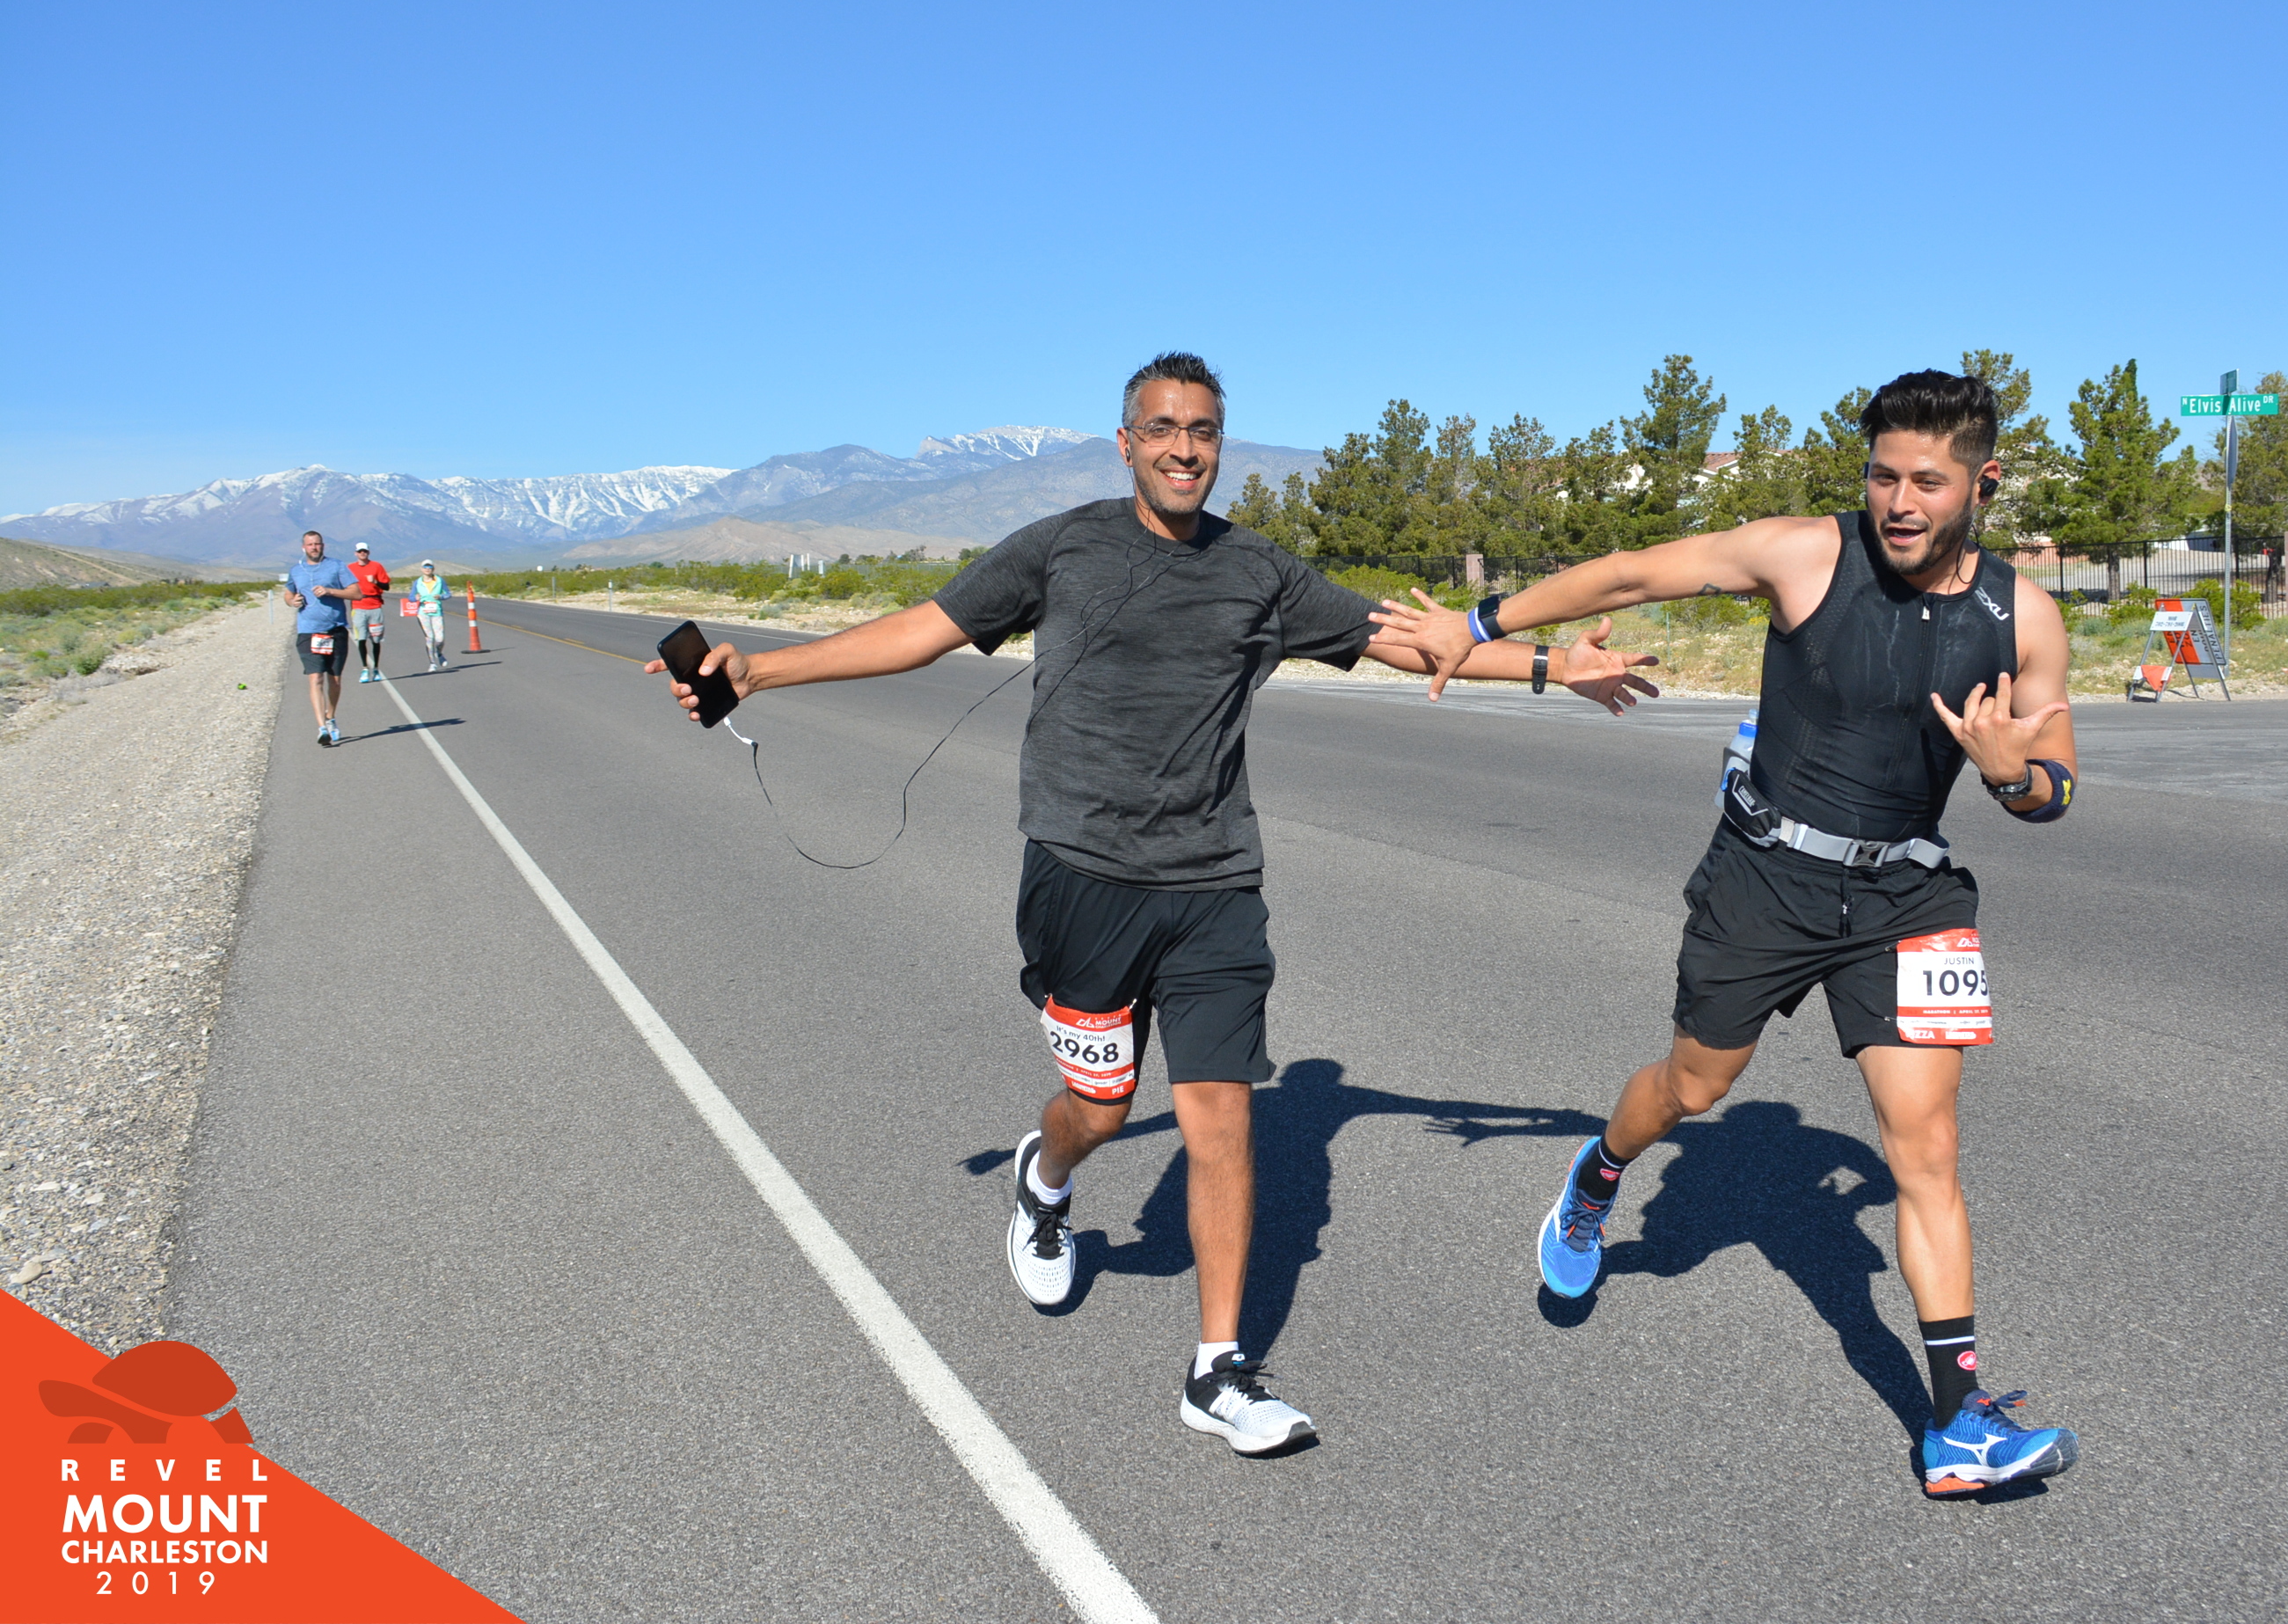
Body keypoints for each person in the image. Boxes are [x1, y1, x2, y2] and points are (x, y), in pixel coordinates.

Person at [650, 352, 1660, 1456]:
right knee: (1100, 1108)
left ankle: (1216, 1370)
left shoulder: (1260, 571)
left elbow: (1409, 640)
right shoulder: (1060, 547)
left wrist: (1553, 666)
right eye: (1165, 428)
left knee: (1220, 1116)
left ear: (1221, 445)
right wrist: (763, 673)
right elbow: (920, 629)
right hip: (1081, 879)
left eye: (1204, 430)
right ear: (1126, 441)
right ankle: (1046, 1180)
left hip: (1214, 882)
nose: (1186, 447)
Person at [1370, 369, 2082, 1497]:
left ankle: (1957, 1422)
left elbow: (2054, 783)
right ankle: (1600, 1174)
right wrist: (1478, 621)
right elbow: (1633, 571)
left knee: (1926, 1148)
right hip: (1765, 876)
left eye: (1927, 482)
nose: (1899, 502)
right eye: (1882, 476)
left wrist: (2013, 778)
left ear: (1982, 483)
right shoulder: (1804, 554)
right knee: (1693, 1088)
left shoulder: (2022, 616)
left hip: (1906, 895)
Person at [281, 530, 360, 747]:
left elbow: (356, 593)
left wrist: (330, 591)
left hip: (335, 630)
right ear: (303, 547)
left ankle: (330, 717)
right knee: (316, 678)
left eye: (317, 544)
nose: (314, 547)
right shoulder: (296, 570)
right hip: (308, 631)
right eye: (310, 544)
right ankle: (322, 728)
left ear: (323, 546)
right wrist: (292, 601)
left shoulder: (336, 566)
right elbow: (288, 593)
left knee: (334, 680)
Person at [347, 541, 392, 683]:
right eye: (360, 551)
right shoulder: (350, 568)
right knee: (361, 638)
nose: (362, 553)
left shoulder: (376, 566)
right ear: (355, 553)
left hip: (375, 606)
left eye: (365, 551)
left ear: (368, 552)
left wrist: (375, 582)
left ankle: (376, 668)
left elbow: (386, 586)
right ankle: (365, 668)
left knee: (376, 640)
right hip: (358, 606)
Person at [409, 560, 451, 671]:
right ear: (421, 569)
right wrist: (415, 598)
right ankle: (432, 663)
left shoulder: (439, 581)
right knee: (430, 638)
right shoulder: (418, 582)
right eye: (425, 567)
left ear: (433, 569)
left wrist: (441, 596)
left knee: (440, 639)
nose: (427, 569)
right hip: (423, 613)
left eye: (430, 567)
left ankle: (439, 653)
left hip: (437, 612)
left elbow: (448, 594)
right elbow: (411, 597)